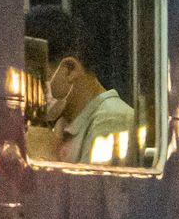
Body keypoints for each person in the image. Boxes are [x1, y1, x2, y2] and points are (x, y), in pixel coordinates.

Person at [28, 20, 139, 168]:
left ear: (70, 70)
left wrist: (42, 157)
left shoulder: (112, 120)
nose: (30, 93)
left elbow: (93, 183)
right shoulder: (65, 124)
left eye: (38, 80)